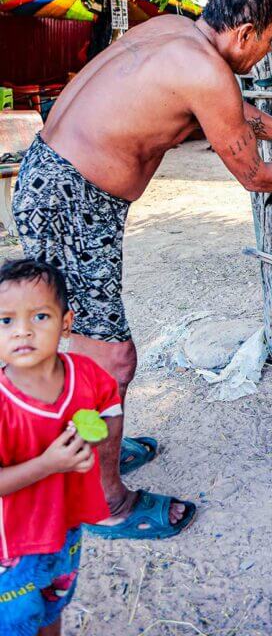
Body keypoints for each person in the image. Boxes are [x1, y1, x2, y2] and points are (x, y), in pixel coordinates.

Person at [12, 0, 272, 541]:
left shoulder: (176, 32)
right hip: (71, 200)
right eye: (271, 38)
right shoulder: (207, 72)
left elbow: (232, 112)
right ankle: (105, 502)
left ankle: (97, 454)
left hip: (57, 181)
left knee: (93, 348)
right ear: (244, 34)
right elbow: (255, 176)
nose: (271, 47)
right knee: (111, 360)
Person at [0, 258, 122, 636]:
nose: (23, 331)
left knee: (54, 606)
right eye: (6, 321)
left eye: (39, 317)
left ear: (66, 322)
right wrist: (49, 463)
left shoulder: (84, 375)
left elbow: (109, 408)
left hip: (66, 526)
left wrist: (96, 434)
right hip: (13, 546)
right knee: (17, 622)